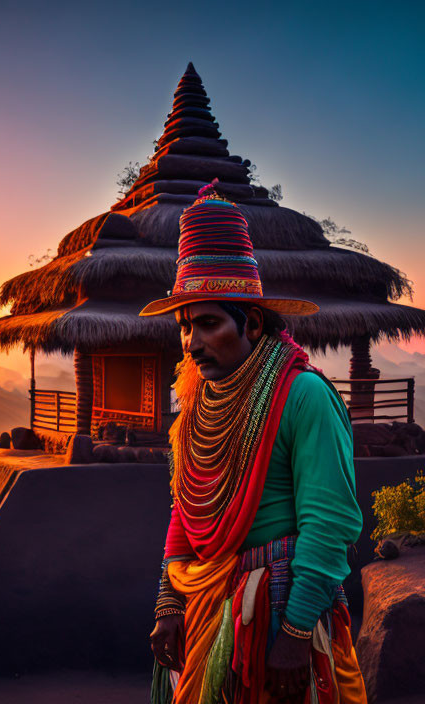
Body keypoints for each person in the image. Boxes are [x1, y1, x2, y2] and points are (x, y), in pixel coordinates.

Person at [139, 181, 368, 703]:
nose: (191, 343)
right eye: (183, 326)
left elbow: (328, 524)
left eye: (208, 323)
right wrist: (168, 603)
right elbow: (187, 502)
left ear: (255, 321)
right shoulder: (196, 401)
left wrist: (293, 633)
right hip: (205, 606)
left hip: (280, 612)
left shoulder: (304, 396)